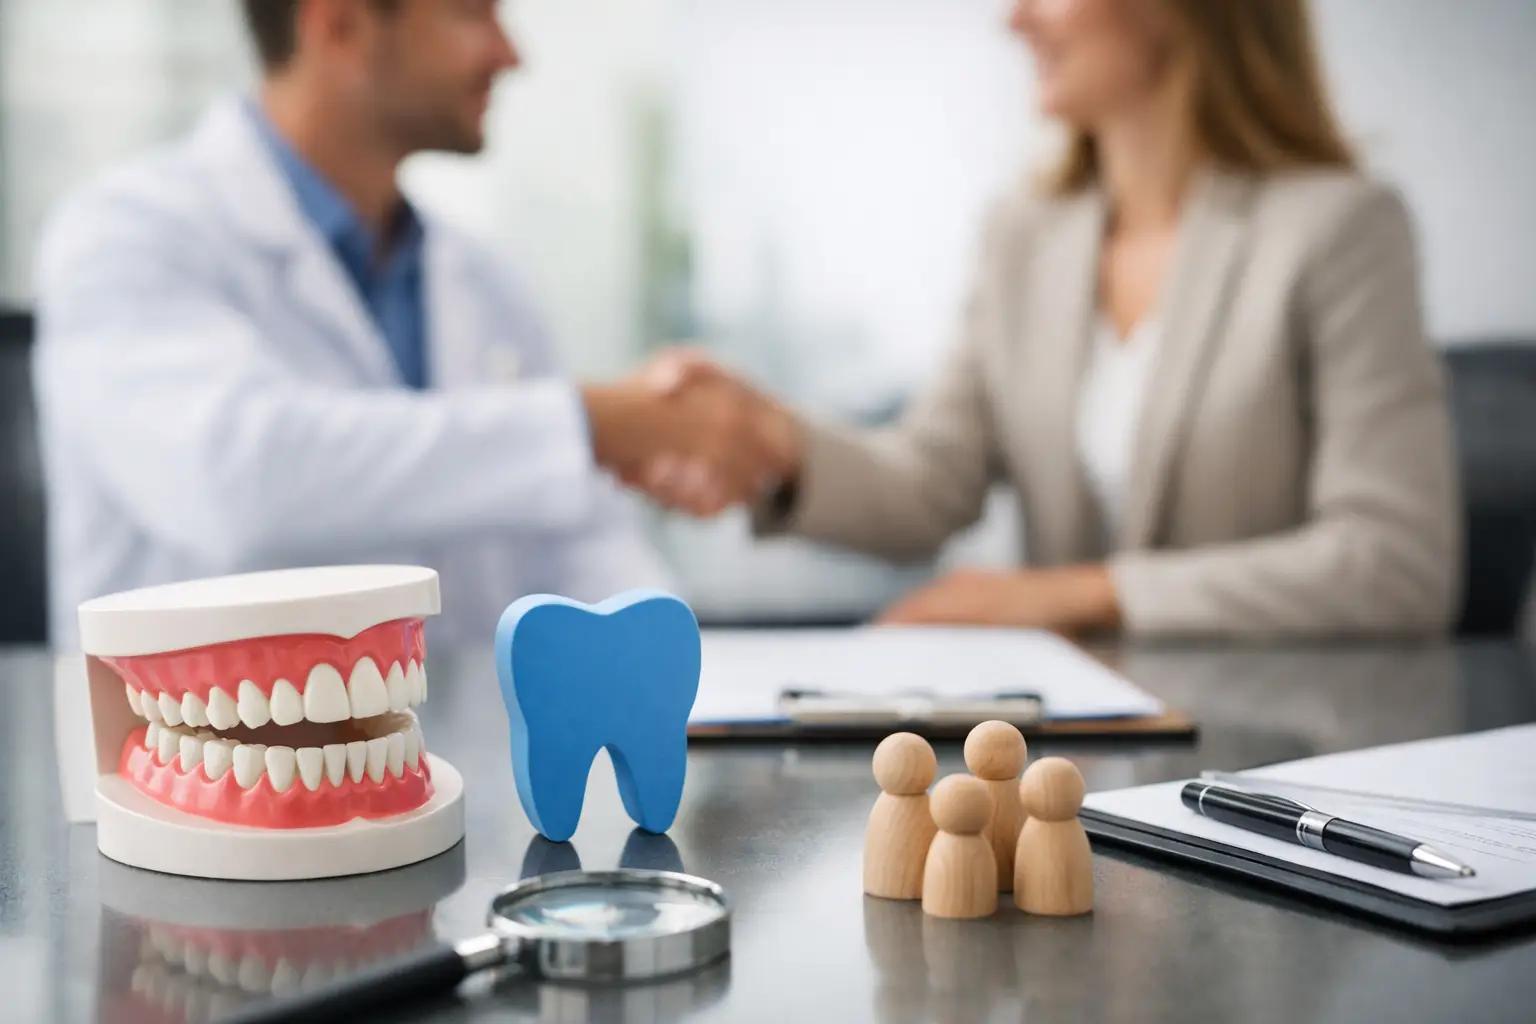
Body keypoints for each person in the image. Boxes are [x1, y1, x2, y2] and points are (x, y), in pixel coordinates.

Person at [645, 0, 1461, 638]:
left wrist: (1072, 595)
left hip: (1280, 755)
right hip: (1071, 773)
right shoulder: (1024, 237)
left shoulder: (1341, 227)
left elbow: (1397, 563)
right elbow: (932, 482)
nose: (1014, 17)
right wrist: (774, 439)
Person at [32, 0, 793, 648]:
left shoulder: (484, 282)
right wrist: (591, 424)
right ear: (340, 25)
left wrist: (685, 676)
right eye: (472, 12)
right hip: (194, 788)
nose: (510, 53)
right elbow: (241, 483)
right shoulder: (127, 234)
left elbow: (584, 548)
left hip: (464, 784)